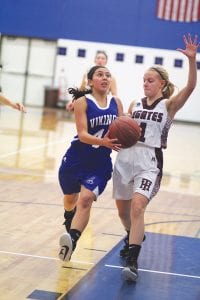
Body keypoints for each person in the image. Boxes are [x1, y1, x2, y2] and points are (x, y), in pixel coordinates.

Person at [113, 33, 199, 282]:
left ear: (161, 83)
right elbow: (122, 127)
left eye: (150, 80)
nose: (145, 84)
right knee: (123, 212)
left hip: (149, 161)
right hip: (124, 160)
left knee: (138, 207)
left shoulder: (169, 105)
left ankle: (132, 260)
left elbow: (191, 87)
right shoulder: (134, 103)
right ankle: (133, 235)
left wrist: (192, 61)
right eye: (143, 80)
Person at [58, 65, 123, 261]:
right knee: (71, 199)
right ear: (90, 81)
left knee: (85, 199)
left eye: (108, 75)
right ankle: (69, 219)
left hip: (100, 164)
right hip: (76, 159)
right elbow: (83, 134)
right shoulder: (82, 101)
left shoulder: (116, 102)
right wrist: (103, 141)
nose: (105, 78)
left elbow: (122, 128)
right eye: (100, 74)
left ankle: (72, 240)